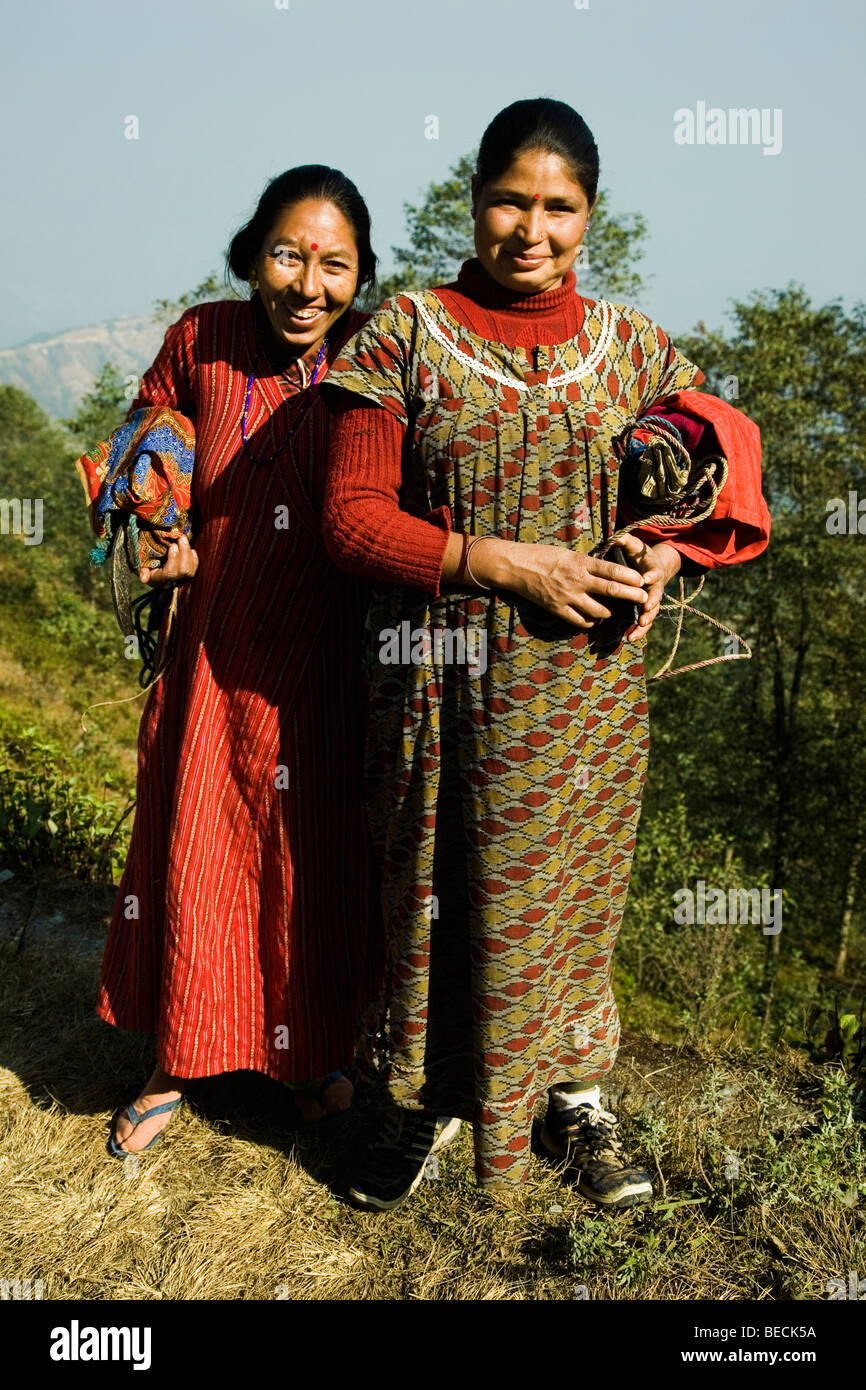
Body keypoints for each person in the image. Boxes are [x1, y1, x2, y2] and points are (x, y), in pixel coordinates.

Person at [320, 99, 770, 1210]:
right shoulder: (404, 336)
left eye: (557, 206)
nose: (531, 228)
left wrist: (669, 560)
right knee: (428, 890)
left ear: (590, 214)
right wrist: (509, 565)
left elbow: (709, 474)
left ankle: (571, 1101)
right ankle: (422, 1102)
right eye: (509, 200)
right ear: (473, 201)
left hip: (586, 700)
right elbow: (349, 520)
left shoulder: (634, 351)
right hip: (439, 682)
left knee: (570, 900)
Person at [80, 165, 383, 1155]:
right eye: (288, 255)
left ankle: (302, 1056)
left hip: (327, 661)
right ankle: (176, 1057)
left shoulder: (372, 364)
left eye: (334, 265)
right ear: (253, 255)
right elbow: (152, 423)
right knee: (198, 854)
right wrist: (159, 519)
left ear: (359, 277)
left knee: (307, 866)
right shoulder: (202, 338)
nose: (307, 285)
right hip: (213, 645)